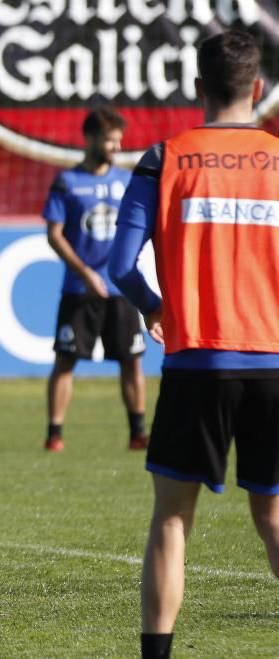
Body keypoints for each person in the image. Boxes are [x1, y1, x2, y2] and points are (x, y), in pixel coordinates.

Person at [108, 30, 279, 659]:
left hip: (197, 360)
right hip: (272, 361)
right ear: (257, 90)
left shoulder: (164, 159)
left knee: (173, 520)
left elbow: (119, 263)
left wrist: (155, 307)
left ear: (198, 88)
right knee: (275, 518)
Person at [42, 106, 148, 453]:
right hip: (79, 288)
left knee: (131, 360)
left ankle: (137, 433)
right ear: (89, 139)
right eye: (109, 139)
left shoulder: (125, 180)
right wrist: (84, 272)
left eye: (119, 140)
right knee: (66, 359)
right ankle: (54, 434)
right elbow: (54, 234)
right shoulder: (67, 182)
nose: (116, 146)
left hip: (121, 287)